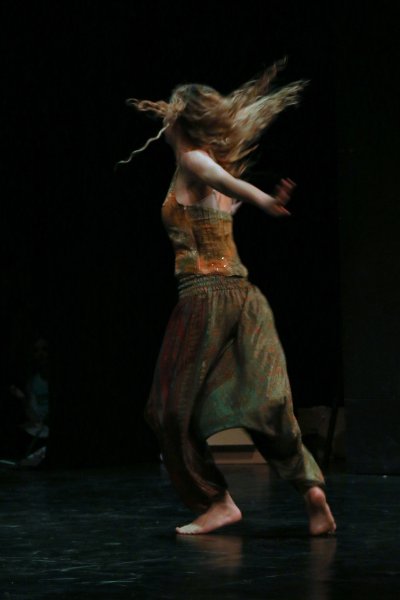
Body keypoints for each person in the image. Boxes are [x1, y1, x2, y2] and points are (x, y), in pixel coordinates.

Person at [119, 60, 336, 536]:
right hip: (244, 297)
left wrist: (263, 201)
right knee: (266, 404)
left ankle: (215, 501)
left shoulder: (193, 161)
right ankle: (312, 493)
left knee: (166, 410)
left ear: (178, 119)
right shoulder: (206, 171)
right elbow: (222, 195)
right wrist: (239, 205)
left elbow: (227, 182)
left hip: (204, 299)